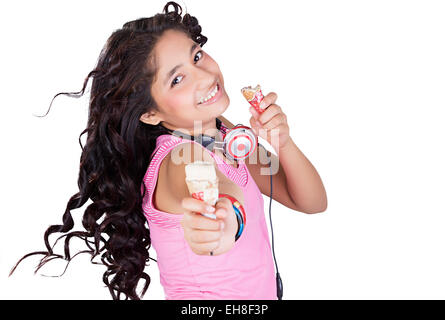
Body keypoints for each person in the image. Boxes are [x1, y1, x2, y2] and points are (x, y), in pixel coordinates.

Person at [10, 1, 327, 300]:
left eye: (197, 57)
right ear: (150, 114)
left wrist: (282, 142)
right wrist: (227, 218)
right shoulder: (179, 159)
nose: (204, 76)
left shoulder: (220, 129)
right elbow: (213, 187)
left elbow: (311, 201)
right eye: (177, 79)